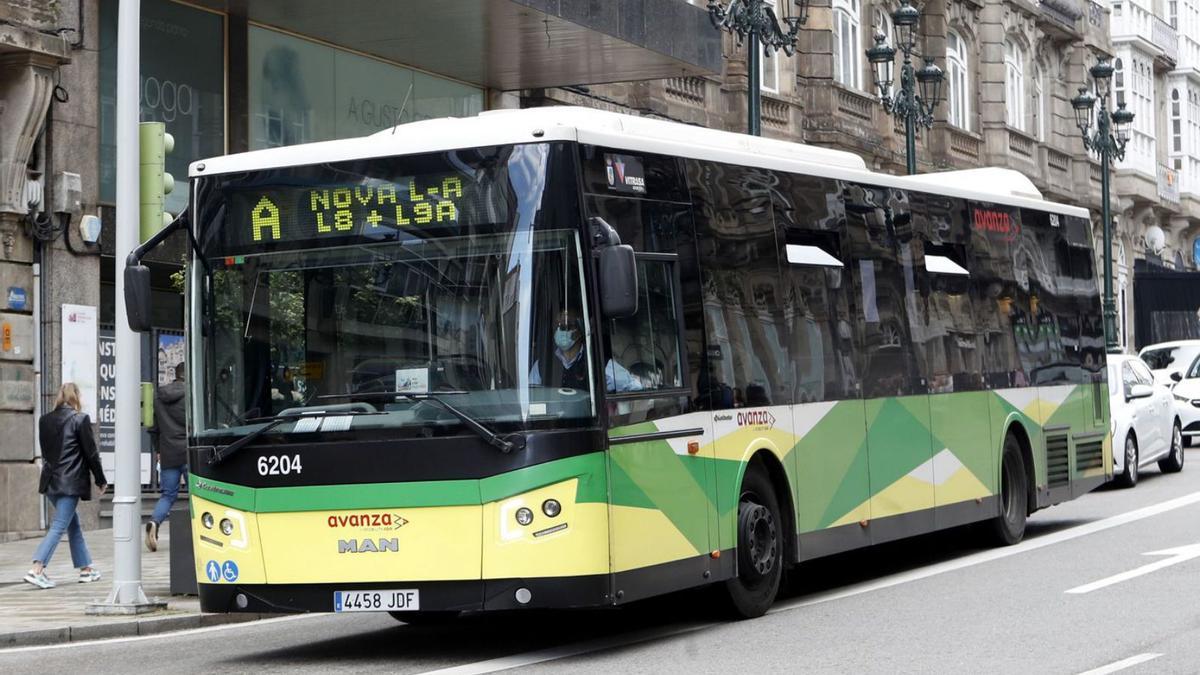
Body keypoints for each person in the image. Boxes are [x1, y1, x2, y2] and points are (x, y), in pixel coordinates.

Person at [24, 383, 107, 589]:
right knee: (60, 525)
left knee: (73, 523)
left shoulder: (45, 420)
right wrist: (100, 479)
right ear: (77, 397)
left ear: (59, 397)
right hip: (70, 482)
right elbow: (91, 454)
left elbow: (48, 451)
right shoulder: (80, 419)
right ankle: (37, 569)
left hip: (51, 482)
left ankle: (86, 569)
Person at [529, 310, 642, 393]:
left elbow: (635, 387)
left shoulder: (599, 364)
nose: (559, 331)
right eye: (557, 326)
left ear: (579, 331)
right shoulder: (541, 365)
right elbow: (530, 395)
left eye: (565, 326)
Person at [146, 362, 187, 552]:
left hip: (168, 451)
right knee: (199, 495)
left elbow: (153, 429)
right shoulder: (192, 394)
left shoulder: (159, 396)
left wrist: (159, 450)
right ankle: (199, 533)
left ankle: (154, 522)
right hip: (190, 452)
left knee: (168, 494)